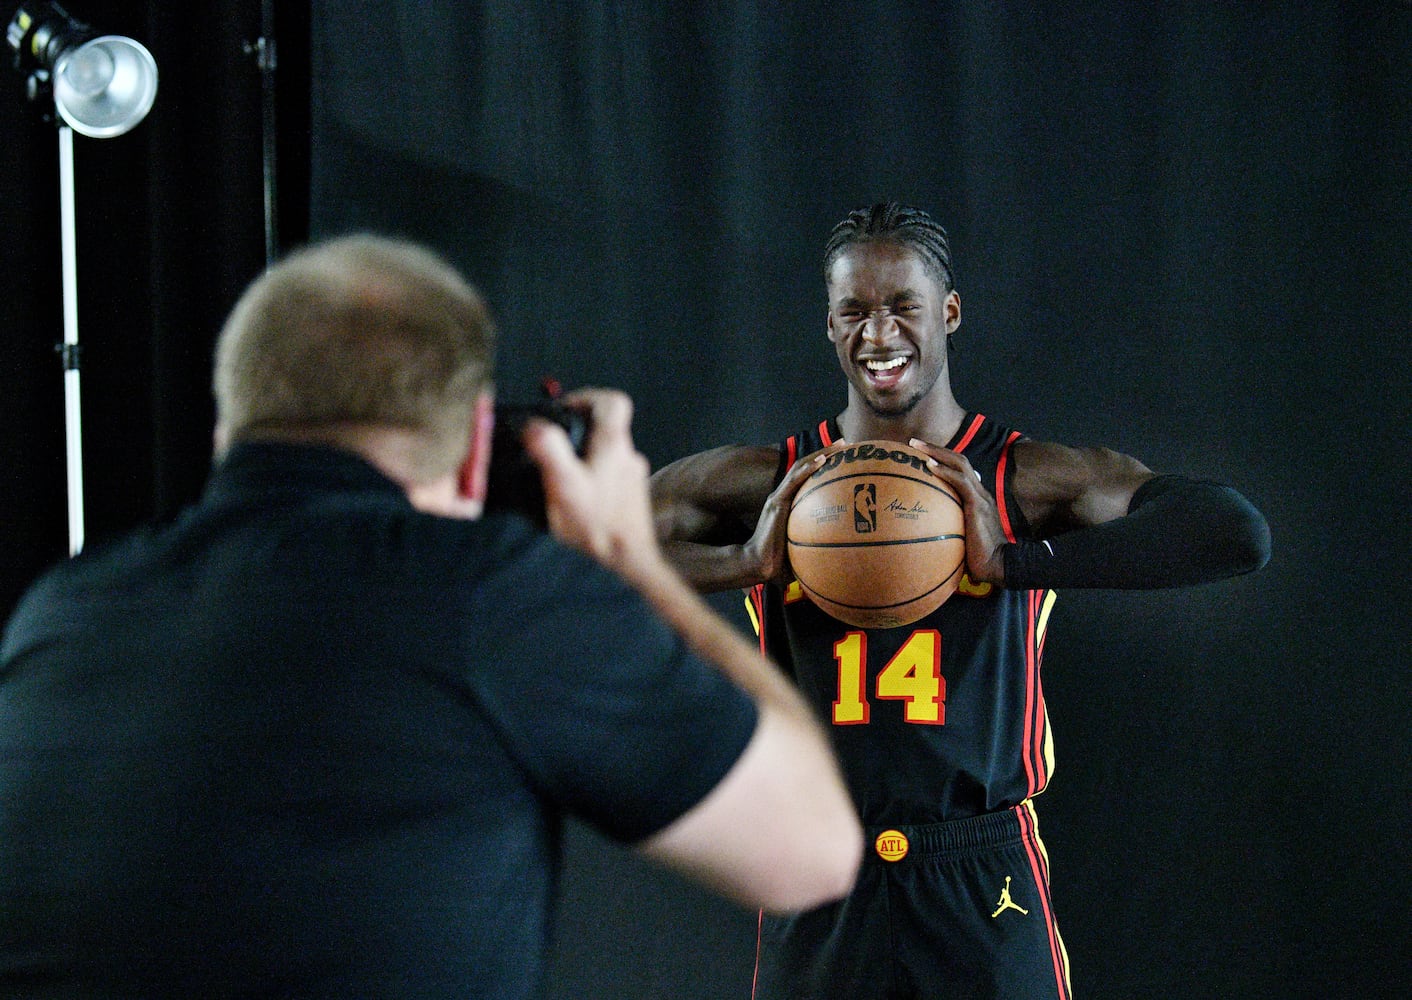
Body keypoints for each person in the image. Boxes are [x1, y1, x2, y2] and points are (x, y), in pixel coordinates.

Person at [0, 234, 864, 999]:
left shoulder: (59, 613)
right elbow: (814, 850)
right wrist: (634, 564)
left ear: (233, 420)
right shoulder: (493, 595)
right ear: (477, 444)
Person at [650, 202, 1272, 1000]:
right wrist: (741, 560)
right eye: (854, 311)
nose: (879, 334)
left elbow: (1233, 532)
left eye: (903, 306)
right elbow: (580, 544)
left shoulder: (1022, 478)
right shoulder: (775, 482)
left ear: (948, 312)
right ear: (830, 324)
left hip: (980, 873)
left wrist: (1012, 562)